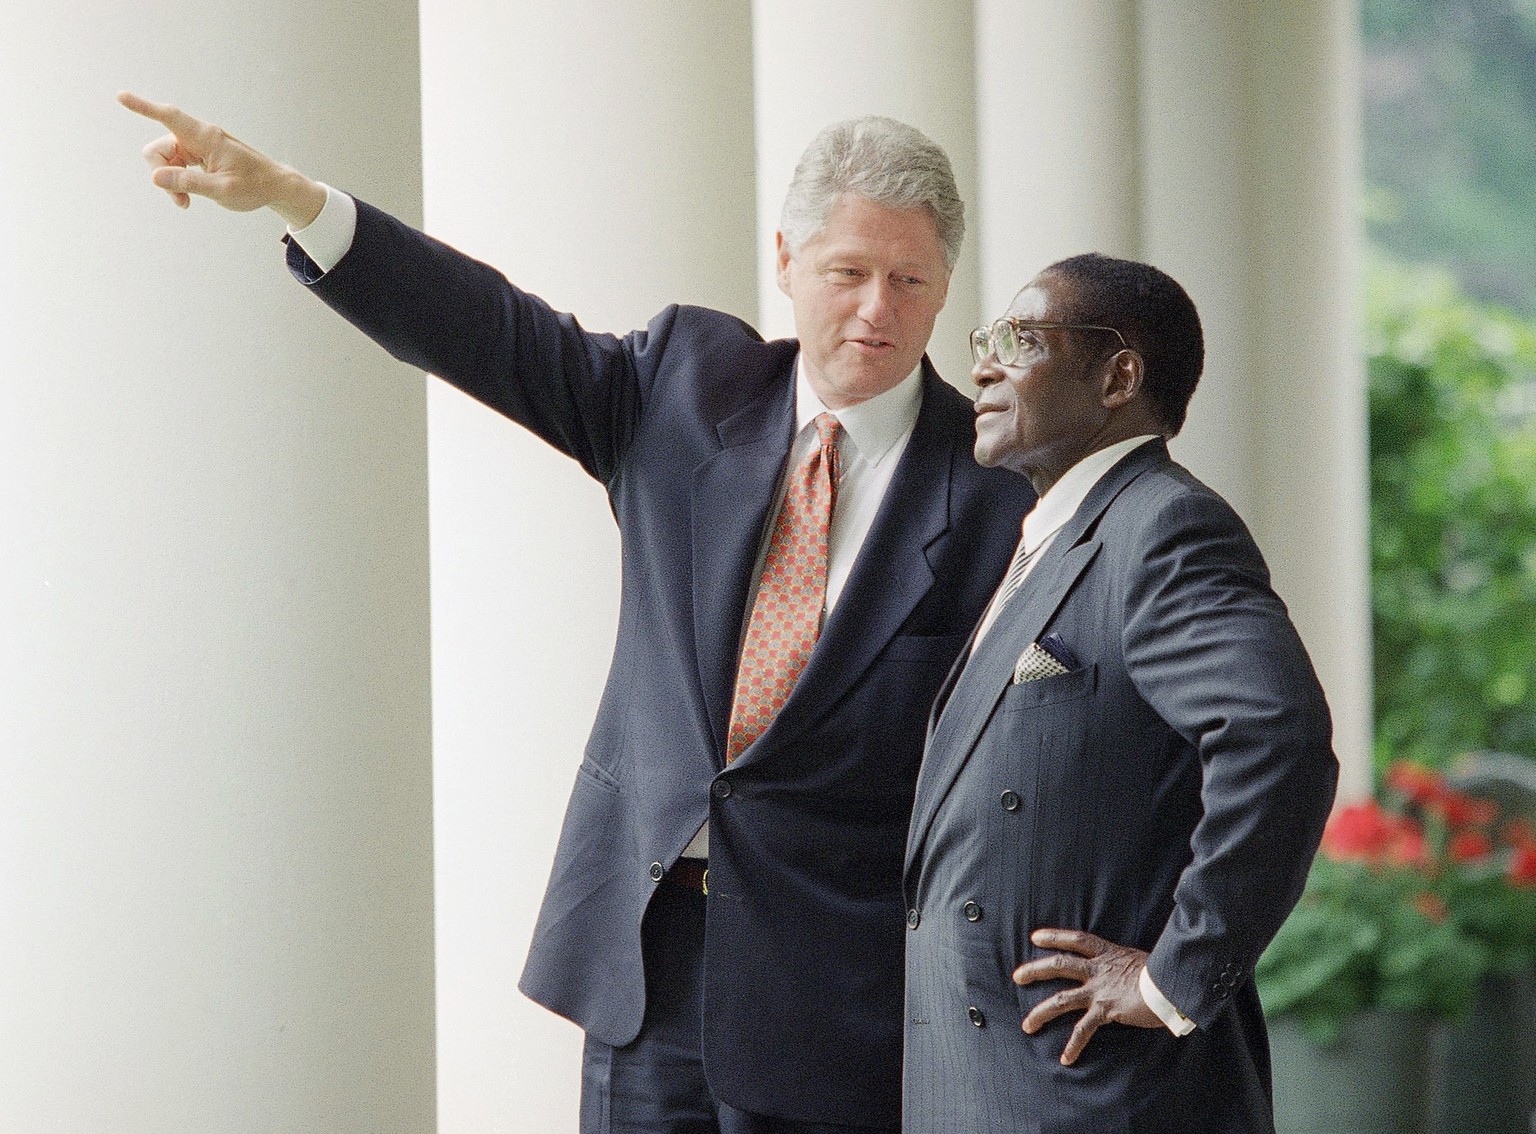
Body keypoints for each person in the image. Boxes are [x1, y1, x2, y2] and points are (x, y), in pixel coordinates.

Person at [119, 92, 1035, 1133]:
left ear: (946, 288)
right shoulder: (688, 387)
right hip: (647, 961)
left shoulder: (999, 492)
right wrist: (298, 201)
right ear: (786, 258)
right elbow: (494, 333)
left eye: (910, 281)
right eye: (849, 273)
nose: (877, 310)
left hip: (844, 985)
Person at [900, 253, 1339, 1133]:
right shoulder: (1055, 538)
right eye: (989, 340)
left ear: (1118, 376)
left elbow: (1277, 737)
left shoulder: (1165, 527)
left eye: (1021, 340)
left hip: (1084, 1093)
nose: (983, 364)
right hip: (989, 1081)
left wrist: (1174, 975)